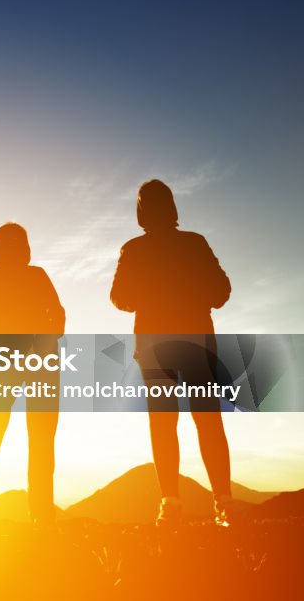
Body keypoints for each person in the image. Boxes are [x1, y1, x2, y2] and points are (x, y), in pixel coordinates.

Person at [110, 179, 233, 527]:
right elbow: (221, 291)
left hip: (154, 347)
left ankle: (170, 504)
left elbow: (120, 298)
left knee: (163, 424)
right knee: (208, 420)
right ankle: (223, 503)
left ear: (140, 211)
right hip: (197, 343)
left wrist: (149, 293)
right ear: (172, 207)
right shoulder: (195, 243)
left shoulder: (133, 250)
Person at [0, 223, 66, 527]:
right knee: (32, 435)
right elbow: (58, 314)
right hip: (26, 358)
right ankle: (37, 512)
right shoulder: (23, 275)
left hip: (22, 357)